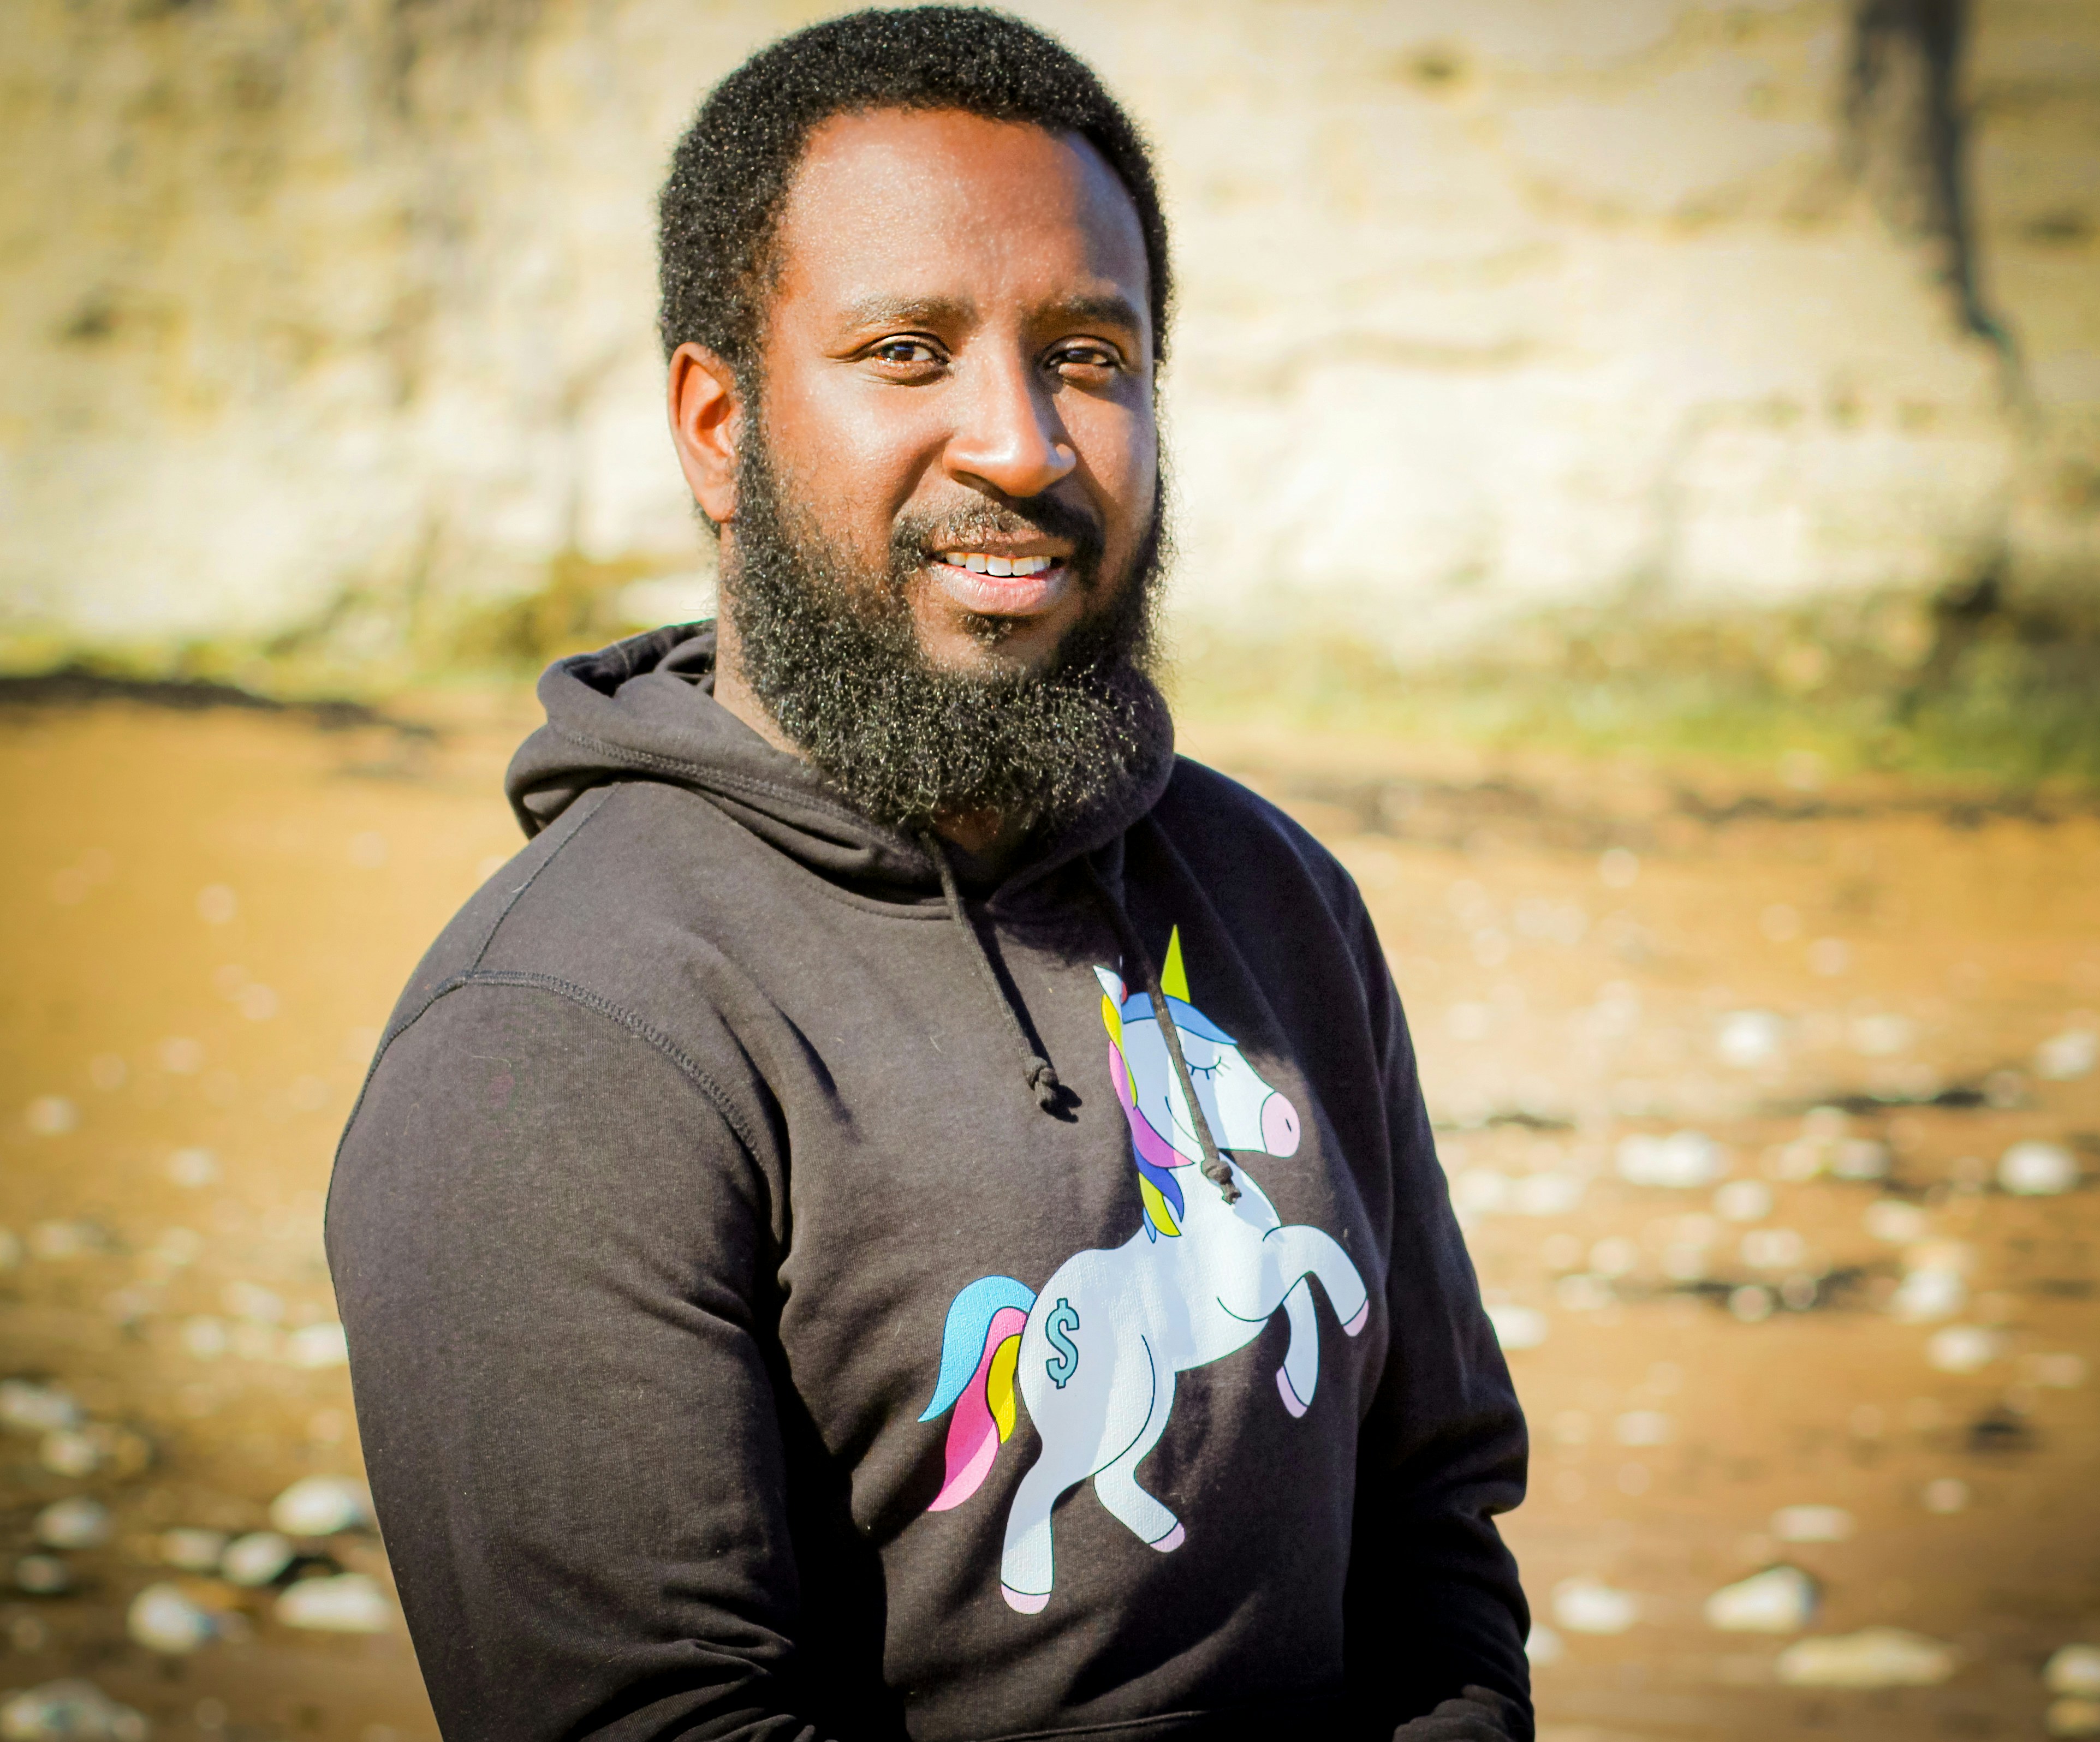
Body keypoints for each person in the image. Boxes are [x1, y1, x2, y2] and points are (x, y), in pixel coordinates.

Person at [326, 9, 1532, 1739]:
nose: (1022, 445)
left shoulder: (1277, 898)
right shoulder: (560, 1039)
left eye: (1088, 356)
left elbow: (1435, 1522)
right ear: (716, 427)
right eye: (907, 351)